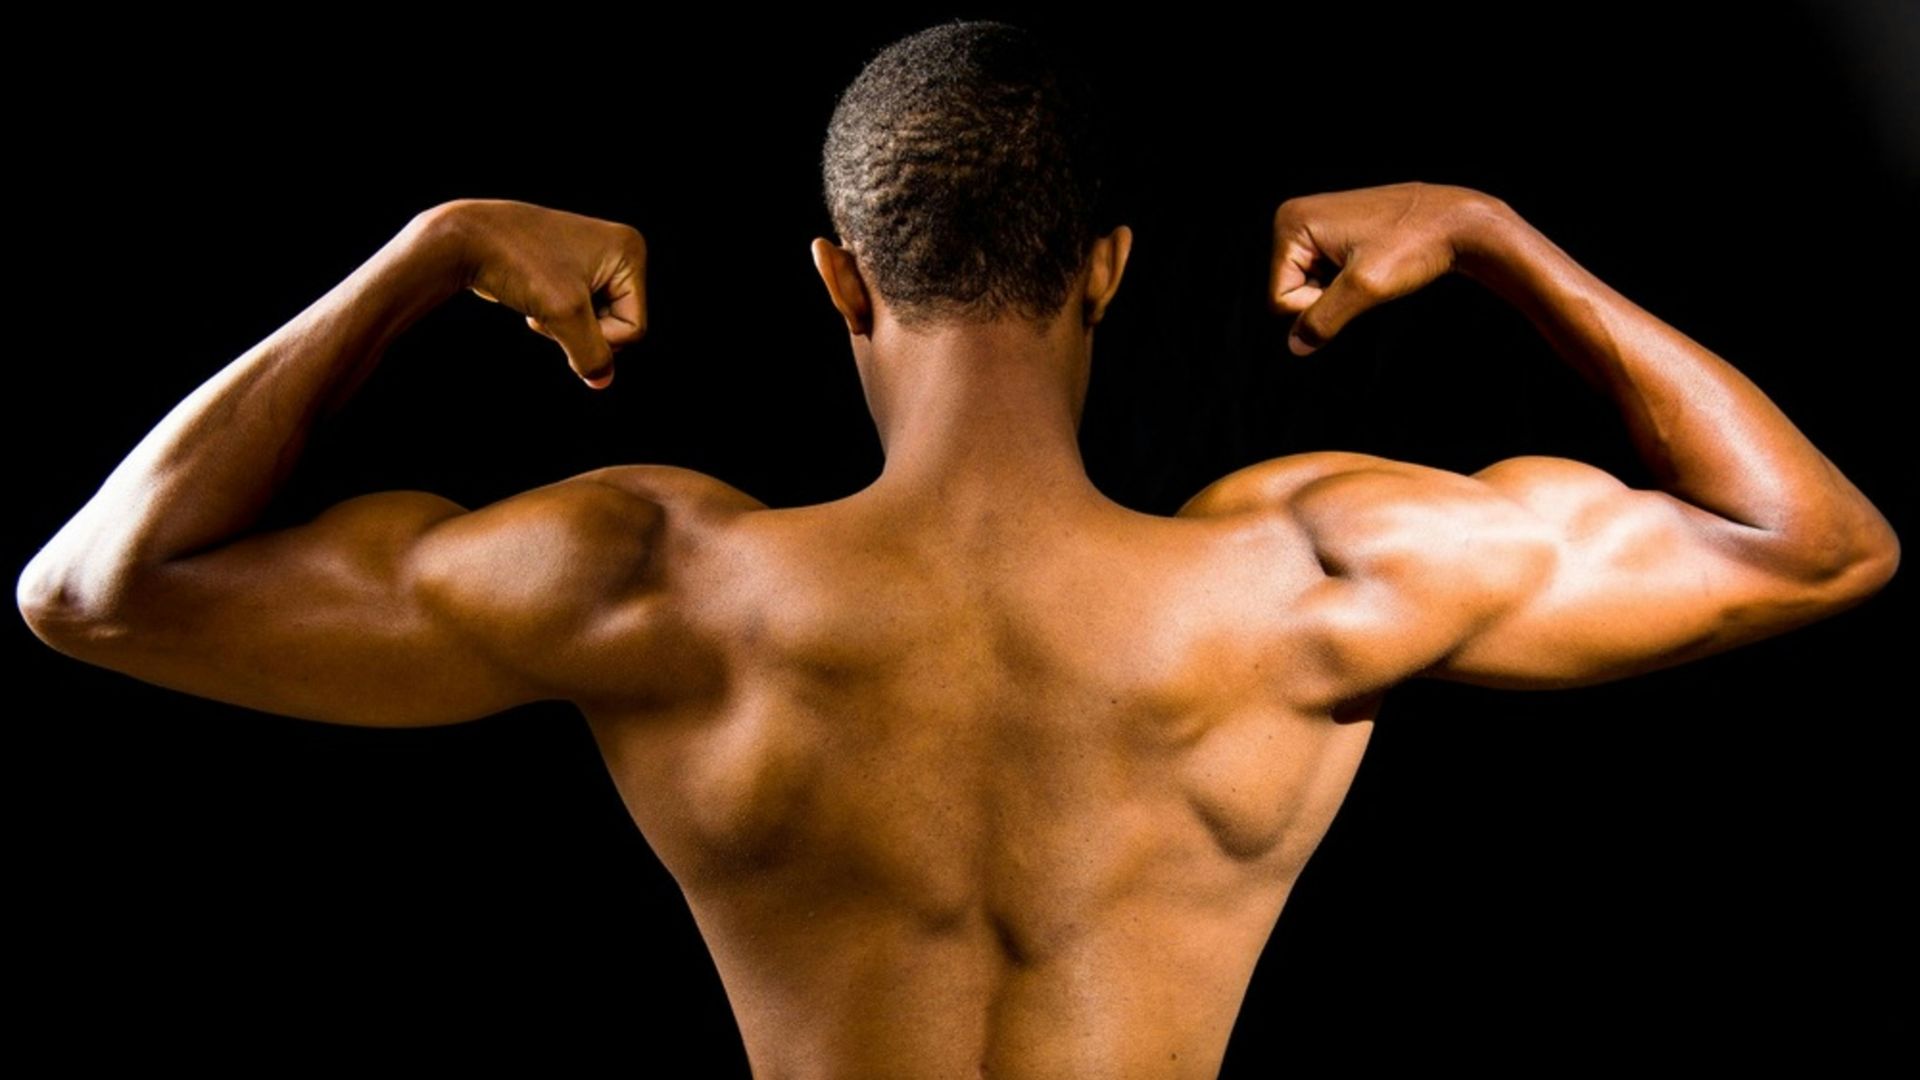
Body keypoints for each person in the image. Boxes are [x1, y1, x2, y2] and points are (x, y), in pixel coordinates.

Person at [16, 20, 1898, 1078]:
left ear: (838, 283)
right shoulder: (1317, 577)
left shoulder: (661, 583)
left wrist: (430, 253)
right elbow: (1813, 548)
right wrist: (1491, 235)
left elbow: (98, 592)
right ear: (1110, 273)